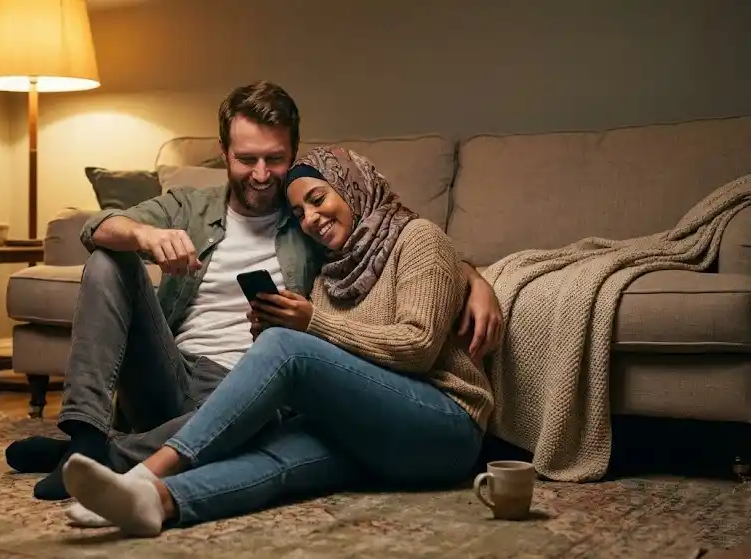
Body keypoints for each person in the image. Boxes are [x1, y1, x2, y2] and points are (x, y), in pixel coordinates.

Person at [4, 81, 503, 502]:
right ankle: (87, 435)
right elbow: (98, 227)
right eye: (246, 159)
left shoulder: (306, 214)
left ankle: (102, 457)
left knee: (269, 407)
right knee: (109, 258)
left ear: (294, 152)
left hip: (250, 384)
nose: (261, 175)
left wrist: (469, 276)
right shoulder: (190, 206)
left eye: (275, 159)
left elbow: (390, 229)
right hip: (170, 371)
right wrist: (146, 236)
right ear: (223, 153)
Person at [60, 145, 495, 537]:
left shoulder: (418, 239)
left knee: (286, 346)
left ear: (353, 187)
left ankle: (145, 472)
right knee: (276, 458)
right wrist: (272, 329)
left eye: (318, 199)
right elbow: (341, 363)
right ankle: (156, 501)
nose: (311, 219)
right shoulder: (331, 274)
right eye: (300, 212)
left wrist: (310, 327)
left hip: (444, 425)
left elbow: (417, 347)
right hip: (372, 433)